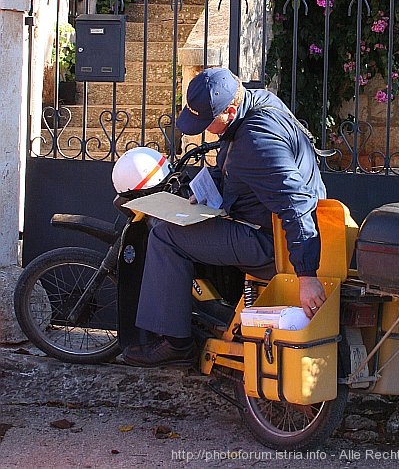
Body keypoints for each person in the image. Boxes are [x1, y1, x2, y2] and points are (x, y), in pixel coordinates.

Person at [121, 67, 327, 367]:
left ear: (230, 110)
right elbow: (231, 163)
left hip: (271, 243)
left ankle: (177, 344)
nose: (205, 130)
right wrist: (204, 190)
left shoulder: (257, 142)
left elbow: (295, 203)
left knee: (165, 236)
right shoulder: (259, 103)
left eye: (207, 122)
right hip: (262, 225)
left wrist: (306, 275)